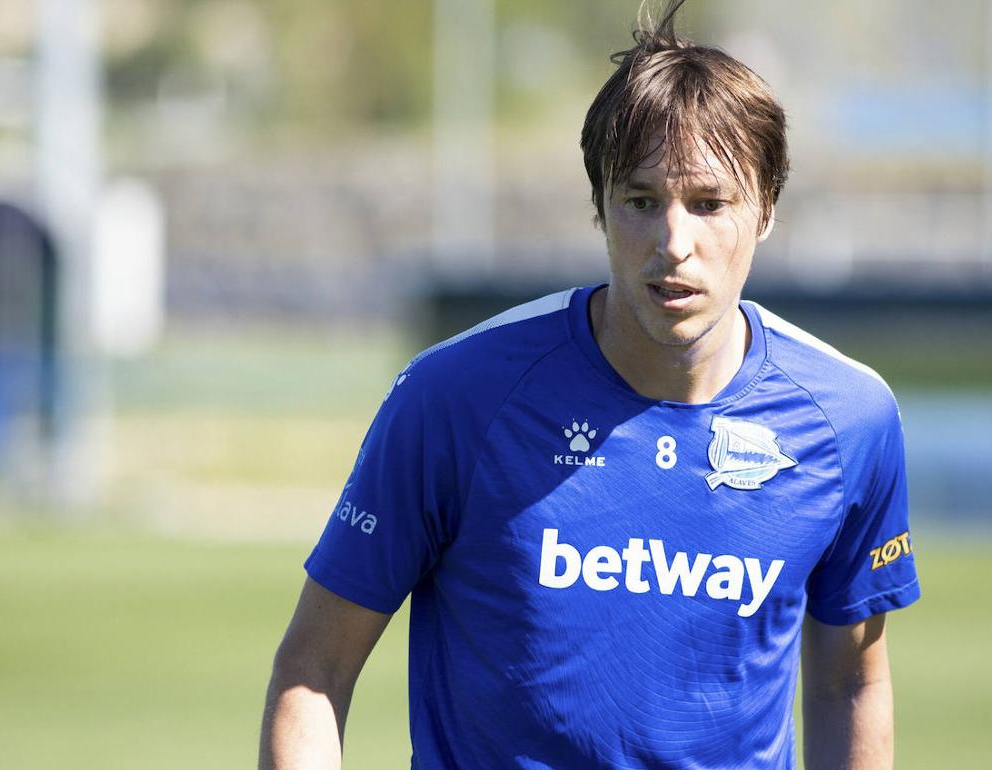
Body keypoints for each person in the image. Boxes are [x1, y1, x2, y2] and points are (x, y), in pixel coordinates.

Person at [259, 1, 919, 767]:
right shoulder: (455, 397)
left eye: (709, 204)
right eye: (642, 202)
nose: (676, 243)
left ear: (766, 208)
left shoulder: (851, 419)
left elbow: (851, 682)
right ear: (599, 206)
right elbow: (313, 672)